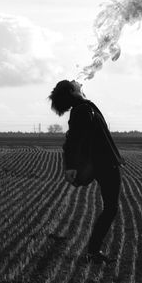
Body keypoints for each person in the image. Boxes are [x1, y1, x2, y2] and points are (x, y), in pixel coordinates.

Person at [49, 79, 124, 263]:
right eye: (74, 83)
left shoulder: (82, 107)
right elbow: (73, 140)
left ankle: (93, 251)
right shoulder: (81, 110)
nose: (78, 81)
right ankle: (93, 252)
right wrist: (71, 166)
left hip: (105, 162)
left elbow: (75, 139)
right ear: (72, 91)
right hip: (105, 164)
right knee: (111, 207)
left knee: (110, 207)